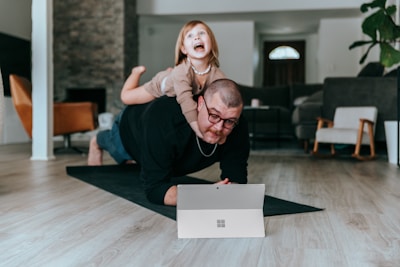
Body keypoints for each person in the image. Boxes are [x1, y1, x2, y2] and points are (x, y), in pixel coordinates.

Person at [88, 78, 250, 206]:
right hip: (131, 128)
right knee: (118, 149)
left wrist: (229, 191)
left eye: (229, 121)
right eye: (214, 115)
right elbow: (155, 190)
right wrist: (205, 196)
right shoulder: (164, 122)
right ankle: (98, 140)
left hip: (166, 146)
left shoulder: (237, 125)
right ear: (200, 104)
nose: (219, 127)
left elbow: (236, 180)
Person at [120, 20, 225, 138]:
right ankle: (136, 72)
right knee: (126, 97)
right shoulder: (182, 72)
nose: (196, 37)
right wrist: (198, 131)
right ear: (184, 49)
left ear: (211, 43)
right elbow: (186, 101)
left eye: (202, 33)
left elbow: (223, 100)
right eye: (190, 35)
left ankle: (170, 73)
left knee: (175, 76)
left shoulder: (218, 75)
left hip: (175, 77)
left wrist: (222, 132)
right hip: (161, 85)